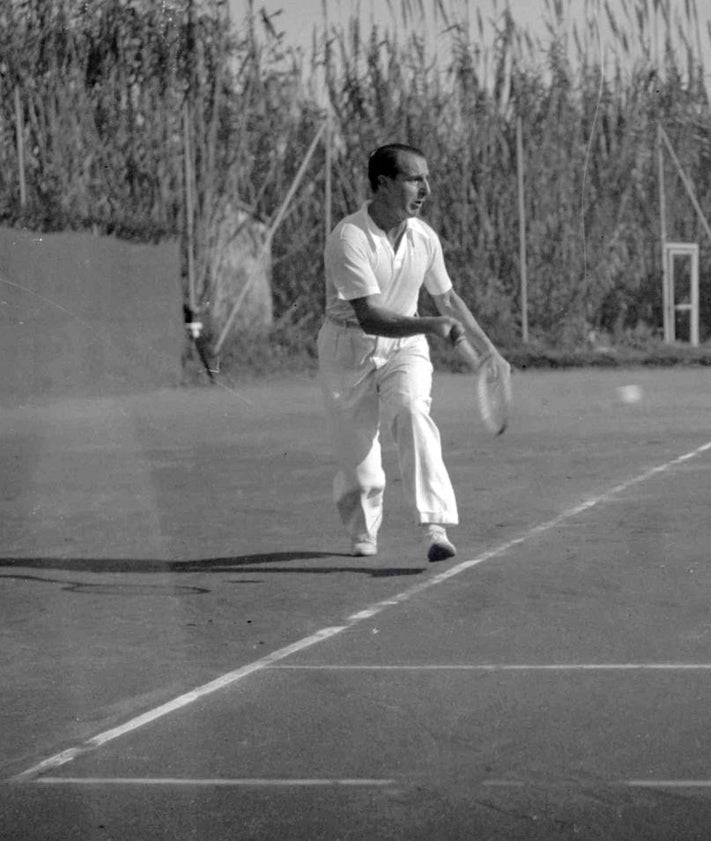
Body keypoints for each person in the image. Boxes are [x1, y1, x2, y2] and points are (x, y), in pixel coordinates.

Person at [317, 142, 509, 562]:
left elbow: (449, 300)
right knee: (359, 463)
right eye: (414, 179)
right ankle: (363, 531)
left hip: (406, 348)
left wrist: (491, 352)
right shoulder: (349, 238)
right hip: (346, 347)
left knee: (413, 414)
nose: (426, 189)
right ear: (383, 184)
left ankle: (435, 527)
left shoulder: (424, 237)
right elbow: (369, 316)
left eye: (427, 178)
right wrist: (432, 326)